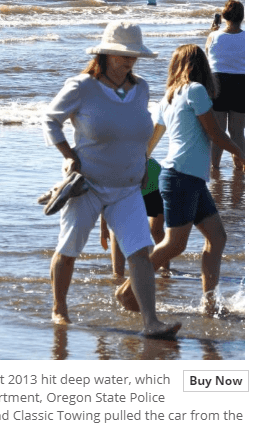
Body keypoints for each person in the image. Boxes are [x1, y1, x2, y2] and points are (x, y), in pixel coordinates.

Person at [42, 21, 181, 338]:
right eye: (122, 55)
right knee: (68, 249)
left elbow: (137, 131)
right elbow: (51, 120)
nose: (129, 61)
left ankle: (151, 322)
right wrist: (68, 155)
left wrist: (144, 160)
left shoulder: (141, 87)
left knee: (140, 253)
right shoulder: (82, 86)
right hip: (87, 185)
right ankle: (59, 309)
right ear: (105, 54)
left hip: (128, 187)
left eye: (133, 55)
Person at [118, 45, 244, 315]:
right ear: (201, 66)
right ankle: (129, 290)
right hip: (181, 178)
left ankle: (209, 303)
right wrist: (241, 152)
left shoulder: (169, 97)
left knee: (217, 237)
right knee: (176, 243)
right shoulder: (195, 91)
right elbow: (215, 132)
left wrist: (139, 161)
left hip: (188, 178)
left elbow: (151, 140)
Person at [100, 157, 168, 278]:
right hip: (125, 183)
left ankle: (165, 271)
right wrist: (103, 228)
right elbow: (105, 199)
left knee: (156, 230)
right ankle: (118, 275)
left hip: (153, 182)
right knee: (117, 228)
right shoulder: (109, 165)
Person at [205, 0, 244, 171]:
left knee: (218, 132)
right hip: (241, 82)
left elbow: (207, 54)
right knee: (237, 132)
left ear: (224, 16)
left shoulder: (213, 36)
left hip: (217, 82)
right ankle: (242, 166)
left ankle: (215, 168)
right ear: (241, 17)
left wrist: (212, 31)